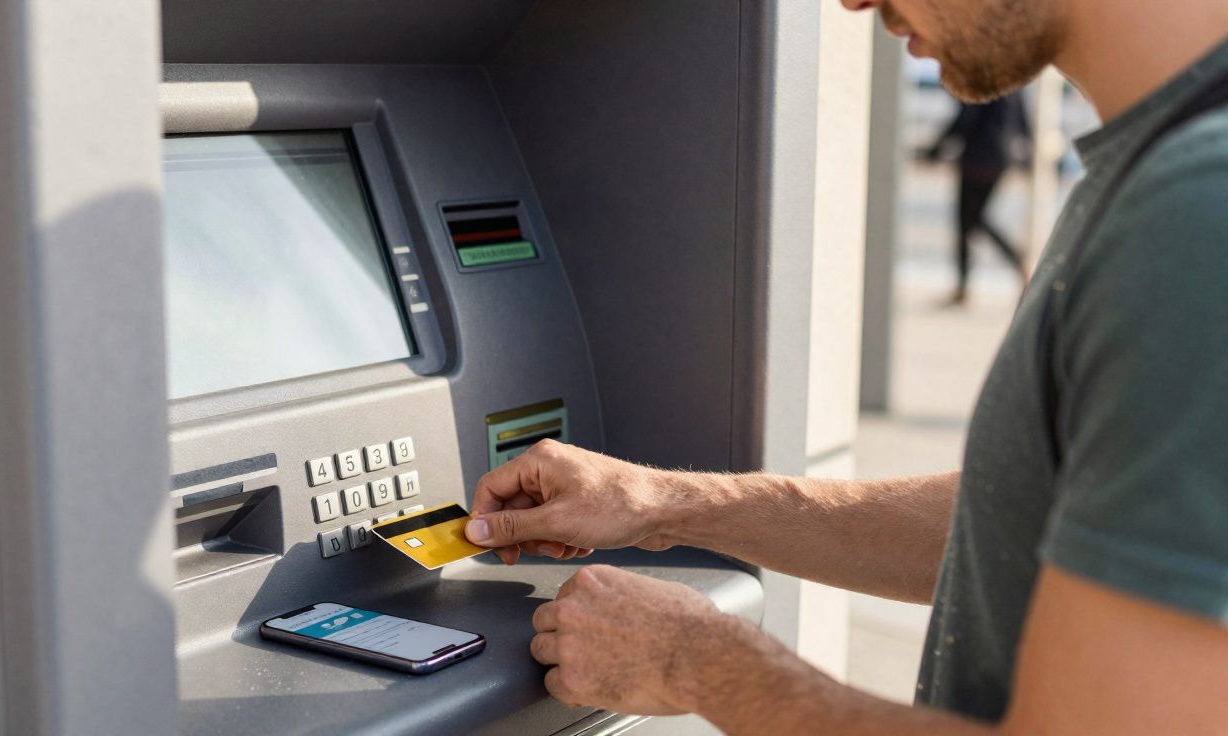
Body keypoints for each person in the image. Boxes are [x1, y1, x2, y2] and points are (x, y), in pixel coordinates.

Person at [462, 0, 1228, 733]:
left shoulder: (1195, 215)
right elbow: (1013, 524)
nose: (854, 4)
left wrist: (694, 660)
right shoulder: (1163, 171)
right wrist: (661, 504)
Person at [924, 93, 1032, 304]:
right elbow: (1023, 123)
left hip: (975, 161)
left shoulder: (982, 82)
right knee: (975, 219)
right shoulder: (1014, 87)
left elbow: (965, 120)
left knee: (969, 221)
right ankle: (968, 284)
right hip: (999, 159)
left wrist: (935, 150)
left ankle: (1013, 262)